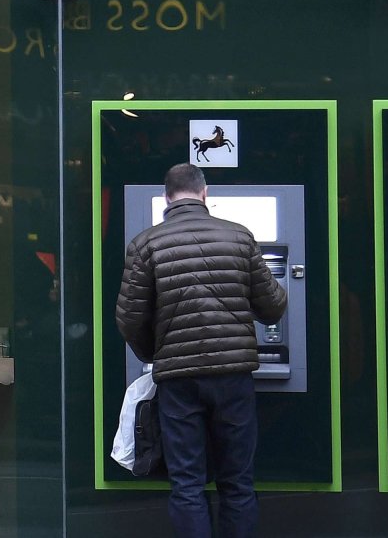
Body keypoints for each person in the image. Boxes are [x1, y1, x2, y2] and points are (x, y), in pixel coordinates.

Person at [115, 163, 287, 538]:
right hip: (233, 376)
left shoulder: (146, 244)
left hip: (178, 380)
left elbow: (128, 319)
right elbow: (273, 306)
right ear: (205, 194)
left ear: (166, 197)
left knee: (188, 484)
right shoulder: (240, 237)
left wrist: (155, 353)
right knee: (237, 483)